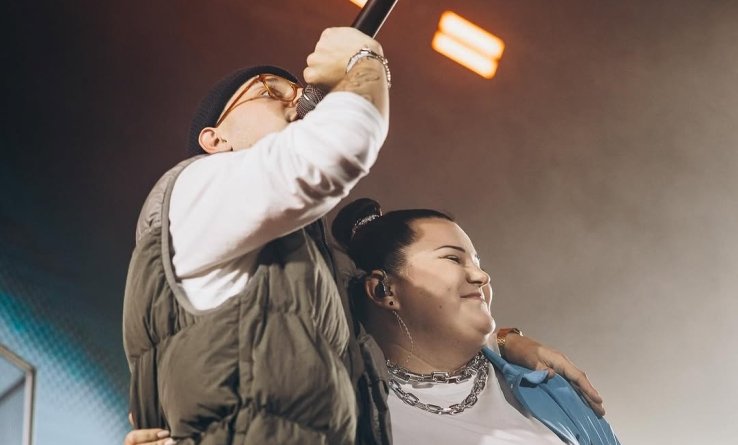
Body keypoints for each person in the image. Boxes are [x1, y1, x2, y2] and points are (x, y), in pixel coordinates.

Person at [122, 27, 605, 445]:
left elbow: (391, 324)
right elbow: (332, 152)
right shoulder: (196, 187)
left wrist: (505, 344)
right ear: (214, 139)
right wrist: (362, 61)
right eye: (271, 90)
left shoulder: (301, 269)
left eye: (297, 90)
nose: (297, 99)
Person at [328, 198, 619, 444]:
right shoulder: (351, 413)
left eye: (477, 262)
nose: (482, 276)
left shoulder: (549, 387)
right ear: (384, 290)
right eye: (452, 259)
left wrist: (505, 340)